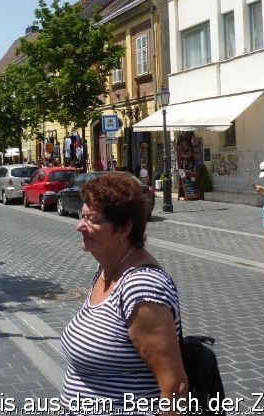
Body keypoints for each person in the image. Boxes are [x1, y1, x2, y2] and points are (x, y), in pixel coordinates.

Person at [59, 173, 187, 414]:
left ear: (124, 228)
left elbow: (175, 387)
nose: (80, 226)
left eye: (92, 220)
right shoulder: (106, 271)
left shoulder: (142, 287)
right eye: (82, 216)